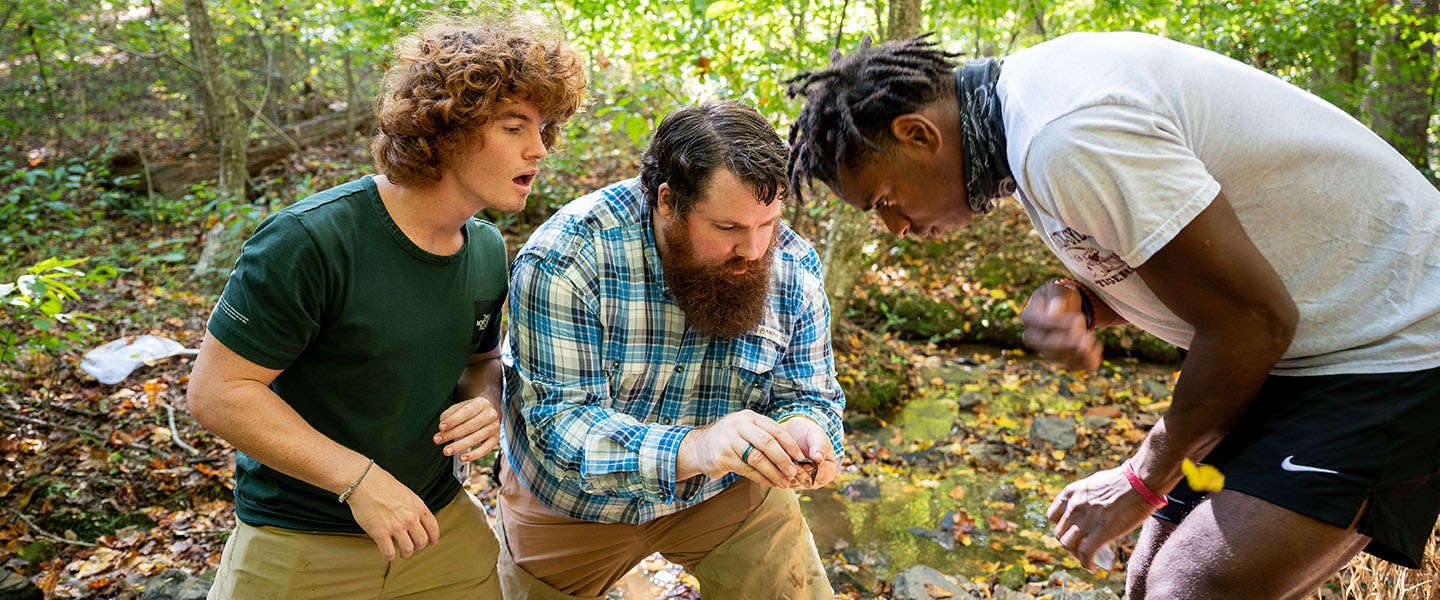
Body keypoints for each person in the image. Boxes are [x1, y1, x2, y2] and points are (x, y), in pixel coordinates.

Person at [785, 31, 1440, 599]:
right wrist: (1084, 302)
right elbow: (1195, 276)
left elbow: (1249, 321)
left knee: (1194, 588)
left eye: (885, 200)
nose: (897, 228)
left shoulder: (1064, 133)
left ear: (918, 133)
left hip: (1396, 335)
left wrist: (1140, 478)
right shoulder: (1025, 129)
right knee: (1149, 579)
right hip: (1300, 346)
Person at [186, 14, 586, 599]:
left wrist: (483, 402)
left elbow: (481, 363)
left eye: (545, 129)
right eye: (514, 126)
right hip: (300, 541)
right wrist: (358, 480)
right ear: (447, 127)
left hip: (439, 531)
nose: (539, 149)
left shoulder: (485, 249)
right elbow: (218, 392)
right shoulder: (312, 240)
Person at [496, 99, 844, 599]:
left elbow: (810, 393)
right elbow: (560, 426)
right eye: (728, 228)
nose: (754, 249)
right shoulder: (568, 259)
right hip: (572, 505)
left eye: (766, 224)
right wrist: (696, 448)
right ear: (666, 202)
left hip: (723, 490)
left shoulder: (792, 265)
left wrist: (806, 429)